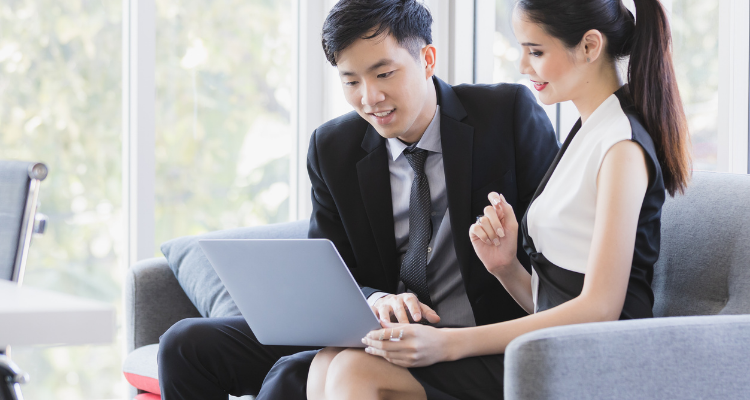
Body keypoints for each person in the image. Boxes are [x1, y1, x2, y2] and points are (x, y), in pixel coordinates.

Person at [156, 0, 559, 398]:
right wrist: (377, 299)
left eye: (384, 73)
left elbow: (555, 254)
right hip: (371, 330)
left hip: (474, 336)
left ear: (428, 59)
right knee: (185, 344)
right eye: (351, 82)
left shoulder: (505, 115)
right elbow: (331, 270)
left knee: (293, 376)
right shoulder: (333, 147)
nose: (370, 98)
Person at [303, 0, 692, 399]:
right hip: (558, 342)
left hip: (597, 359)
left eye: (535, 51)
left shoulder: (620, 145)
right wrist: (506, 267)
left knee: (355, 371)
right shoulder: (590, 131)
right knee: (327, 363)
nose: (523, 66)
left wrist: (448, 345)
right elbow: (556, 299)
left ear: (590, 47)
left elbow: (599, 310)